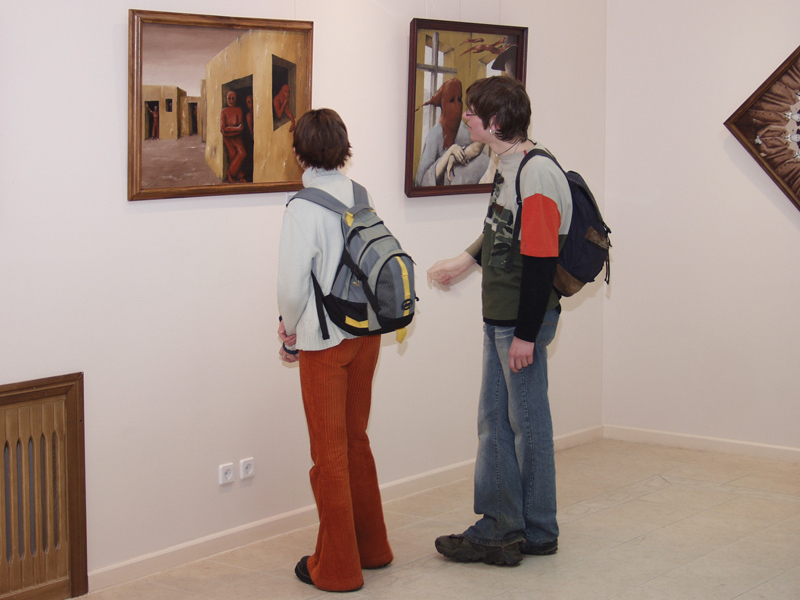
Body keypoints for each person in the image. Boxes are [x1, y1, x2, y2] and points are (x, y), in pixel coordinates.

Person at [428, 76, 572, 566]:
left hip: (519, 323)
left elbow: (541, 259)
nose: (465, 118)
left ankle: (531, 528)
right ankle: (508, 524)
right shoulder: (507, 163)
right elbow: (499, 230)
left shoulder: (536, 173)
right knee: (496, 422)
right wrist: (464, 261)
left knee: (525, 426)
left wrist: (526, 335)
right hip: (502, 318)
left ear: (494, 122)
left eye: (471, 112)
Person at [277, 108, 393, 592]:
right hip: (368, 334)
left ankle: (339, 569)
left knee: (329, 455)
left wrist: (287, 331)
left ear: (299, 151)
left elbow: (291, 287)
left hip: (324, 341)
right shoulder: (361, 194)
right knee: (355, 441)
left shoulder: (302, 207)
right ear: (343, 146)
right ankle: (373, 548)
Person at [415, 78, 489, 186]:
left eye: (459, 100)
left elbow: (480, 158)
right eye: (451, 100)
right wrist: (450, 152)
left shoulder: (466, 130)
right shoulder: (435, 134)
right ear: (444, 104)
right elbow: (422, 181)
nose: (457, 105)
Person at [220, 90, 247, 183]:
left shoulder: (238, 110)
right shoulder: (223, 111)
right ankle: (238, 176)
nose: (231, 100)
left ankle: (230, 173)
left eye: (233, 98)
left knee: (242, 154)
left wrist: (229, 130)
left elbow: (241, 127)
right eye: (229, 98)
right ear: (226, 99)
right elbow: (223, 129)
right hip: (227, 138)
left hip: (236, 137)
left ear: (235, 99)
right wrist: (236, 129)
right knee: (232, 154)